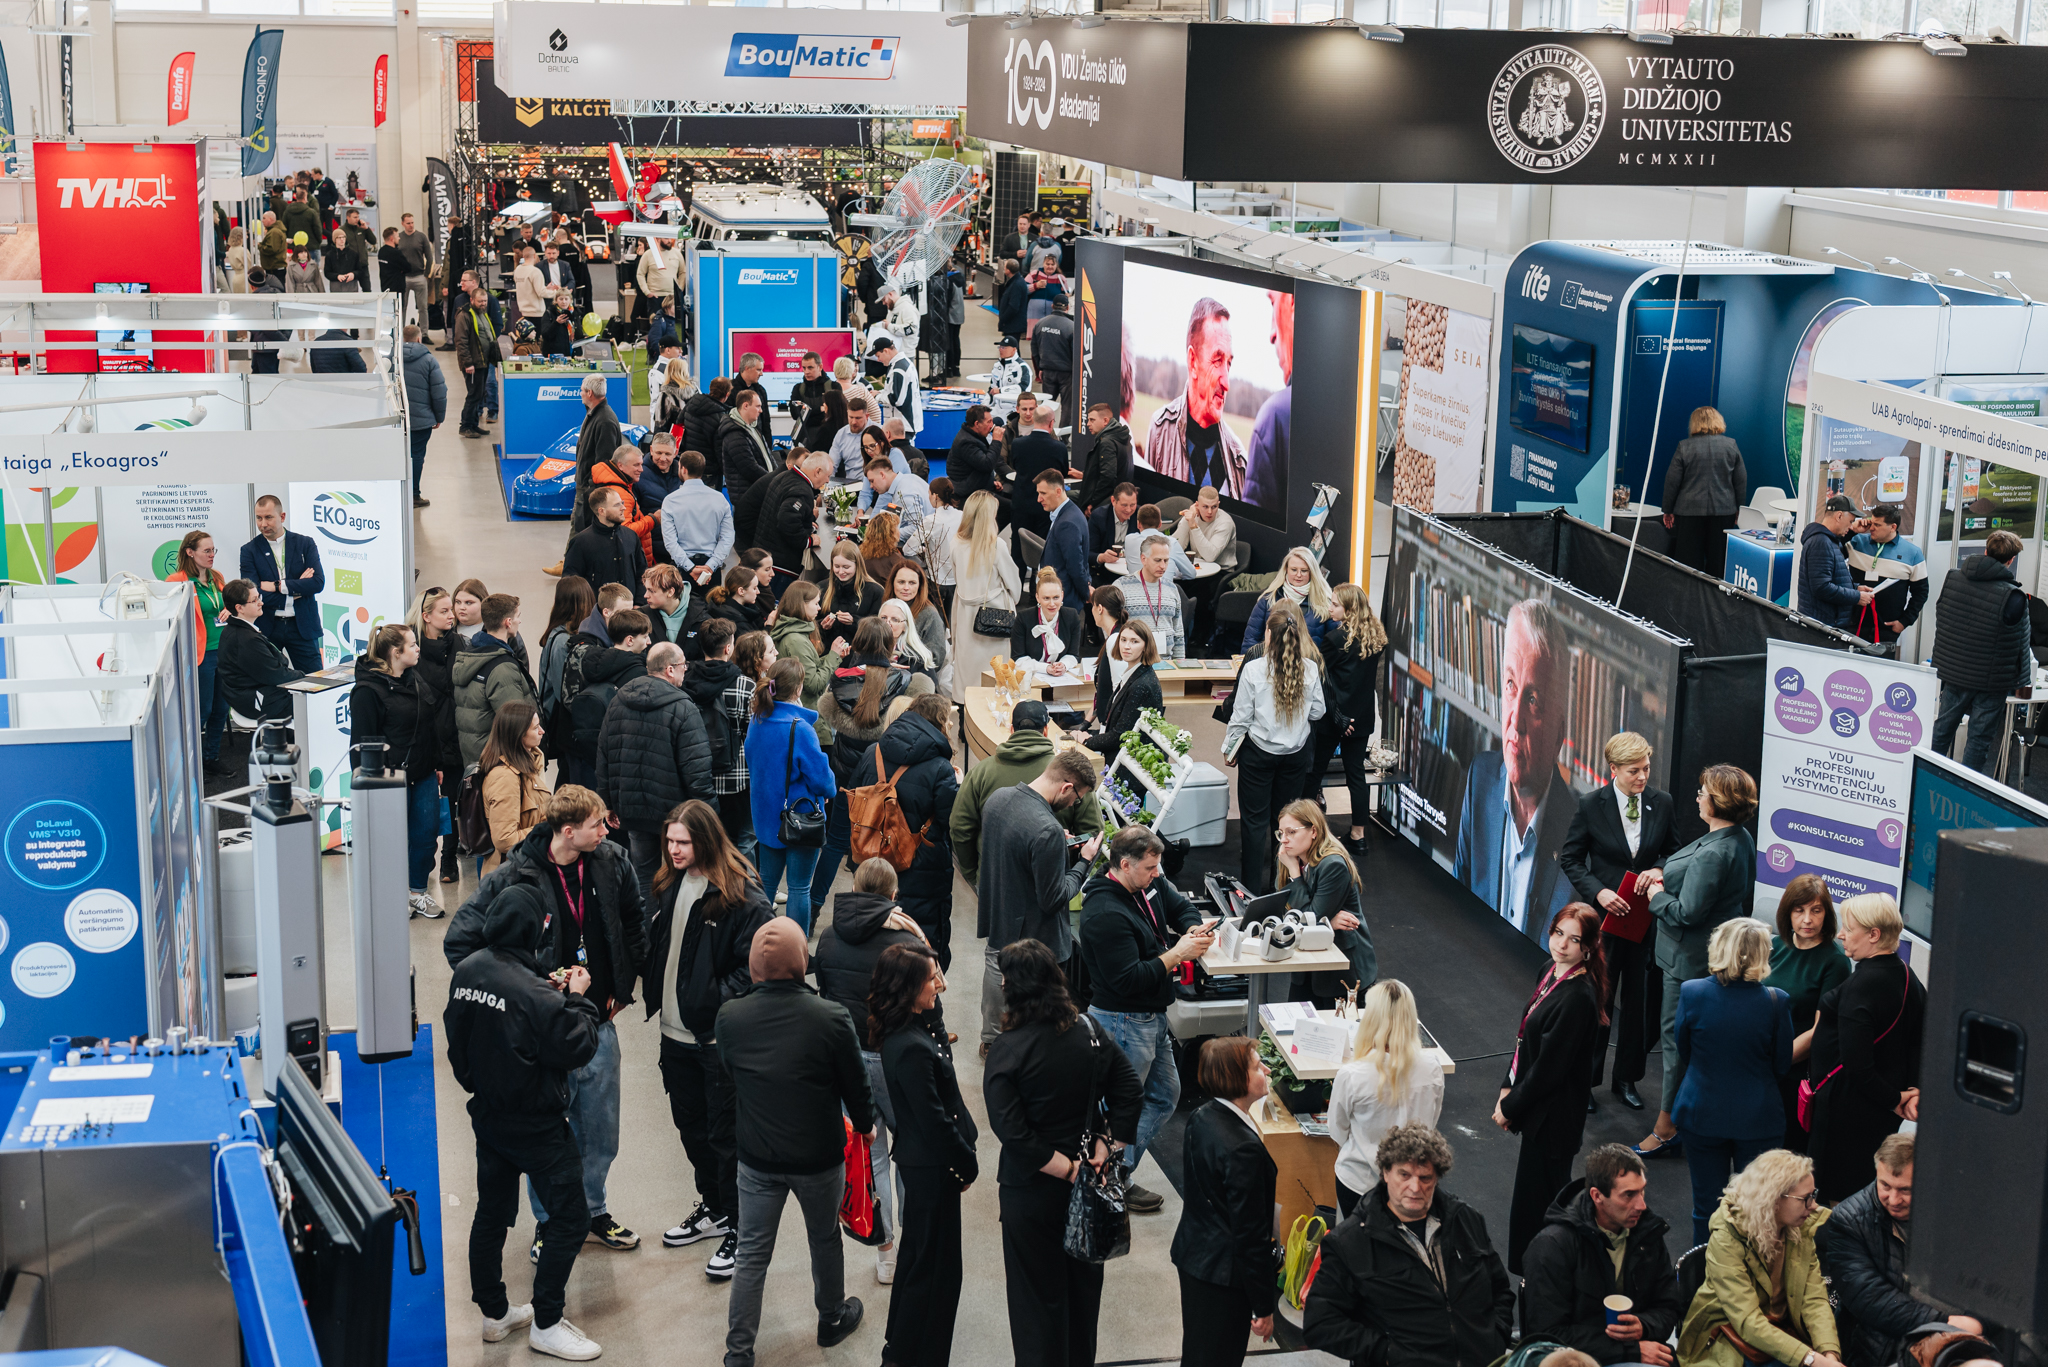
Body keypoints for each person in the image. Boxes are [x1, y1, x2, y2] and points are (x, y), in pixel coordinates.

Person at [443, 786, 648, 1264]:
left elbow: (634, 926)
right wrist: (520, 992)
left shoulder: (612, 862)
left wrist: (624, 987)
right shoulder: (516, 874)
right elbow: (461, 942)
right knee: (551, 1135)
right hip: (543, 1033)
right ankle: (550, 1220)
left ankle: (592, 1211)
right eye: (598, 824)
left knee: (600, 1132)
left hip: (597, 1023)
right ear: (568, 831)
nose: (607, 830)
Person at [443, 881, 604, 1362]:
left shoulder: (469, 969)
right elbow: (578, 1044)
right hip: (537, 1126)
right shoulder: (535, 994)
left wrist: (544, 988)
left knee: (491, 1213)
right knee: (571, 1218)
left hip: (488, 1116)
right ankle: (548, 1322)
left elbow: (461, 1041)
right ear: (535, 928)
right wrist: (576, 996)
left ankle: (494, 1314)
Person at [717, 918, 874, 1367]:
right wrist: (865, 1125)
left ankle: (738, 1352)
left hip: (756, 1156)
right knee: (824, 1238)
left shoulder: (730, 1017)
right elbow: (855, 1085)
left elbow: (729, 1074)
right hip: (818, 1157)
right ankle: (831, 1318)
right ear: (802, 961)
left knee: (751, 1253)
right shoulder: (830, 1017)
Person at [984, 937, 1142, 1367]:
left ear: (1014, 988)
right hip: (1090, 1188)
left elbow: (1013, 1133)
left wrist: (1067, 1169)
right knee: (1083, 1297)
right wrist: (1105, 1148)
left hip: (1031, 1194)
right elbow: (1130, 1091)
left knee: (1036, 1304)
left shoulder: (1007, 1050)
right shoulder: (1089, 1032)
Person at [644, 798, 773, 1282]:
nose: (673, 850)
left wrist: (714, 999)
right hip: (673, 1035)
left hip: (714, 1041)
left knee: (725, 1138)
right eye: (669, 841)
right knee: (691, 1128)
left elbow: (757, 965)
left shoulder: (740, 894)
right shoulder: (669, 883)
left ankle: (740, 1226)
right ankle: (715, 1208)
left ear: (706, 839)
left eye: (683, 842)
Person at [1078, 824, 1214, 1215]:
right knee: (1118, 1110)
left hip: (1150, 1017)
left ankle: (1114, 1174)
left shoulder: (1148, 885)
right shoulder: (1104, 913)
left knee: (1164, 1096)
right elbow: (1129, 978)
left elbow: (1180, 906)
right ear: (1125, 865)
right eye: (1151, 867)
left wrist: (1191, 926)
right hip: (1122, 1020)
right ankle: (1104, 1181)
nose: (1158, 874)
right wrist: (1179, 953)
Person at [1303, 1124, 1515, 1367]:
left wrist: (1495, 1338)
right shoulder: (1350, 1242)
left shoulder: (1466, 1221)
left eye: (1425, 1178)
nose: (1415, 1188)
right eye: (1404, 1175)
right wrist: (1387, 1354)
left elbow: (1500, 1289)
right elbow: (1320, 1323)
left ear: (1437, 1178)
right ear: (1385, 1172)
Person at [1635, 763, 1758, 1162]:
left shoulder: (1716, 852)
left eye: (1704, 792)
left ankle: (1666, 1129)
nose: (1698, 797)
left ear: (1719, 801)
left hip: (1686, 962)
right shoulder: (1737, 838)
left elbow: (1687, 913)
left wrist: (1655, 894)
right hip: (1709, 955)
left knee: (1676, 1043)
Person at [1559, 731, 1681, 1111]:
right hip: (1604, 924)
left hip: (1645, 922)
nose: (1642, 777)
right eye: (1634, 771)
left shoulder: (1662, 803)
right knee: (1598, 1001)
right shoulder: (1590, 805)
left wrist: (1659, 870)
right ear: (1614, 769)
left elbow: (1674, 853)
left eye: (1646, 769)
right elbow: (1571, 859)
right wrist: (1599, 892)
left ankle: (1626, 1078)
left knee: (1639, 1005)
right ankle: (1587, 1079)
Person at [870, 942, 975, 1367]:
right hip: (933, 1169)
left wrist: (932, 1008)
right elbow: (933, 1120)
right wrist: (966, 1164)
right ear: (908, 987)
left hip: (924, 1167)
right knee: (936, 1275)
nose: (940, 985)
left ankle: (900, 1348)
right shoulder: (911, 1047)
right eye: (931, 979)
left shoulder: (911, 1029)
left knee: (919, 1262)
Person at [1455, 599, 1582, 939]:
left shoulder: (1580, 834)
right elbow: (1457, 903)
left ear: (1559, 734)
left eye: (1533, 700)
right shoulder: (1481, 779)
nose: (1515, 720)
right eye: (1511, 685)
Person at [1671, 917, 1797, 1247]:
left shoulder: (1692, 992)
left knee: (1706, 1209)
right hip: (1759, 1120)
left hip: (1701, 1112)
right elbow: (1782, 1064)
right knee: (1756, 1210)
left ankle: (1704, 1270)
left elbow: (1684, 1049)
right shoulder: (1777, 1001)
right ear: (1762, 954)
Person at [1497, 902, 1605, 1273]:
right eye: (1559, 933)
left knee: (1542, 1211)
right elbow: (1525, 1038)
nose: (1562, 944)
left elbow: (1549, 1070)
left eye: (1574, 940)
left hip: (1554, 1120)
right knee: (1531, 1206)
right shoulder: (1550, 969)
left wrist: (1510, 1107)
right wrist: (1507, 1086)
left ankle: (1543, 1280)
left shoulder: (1578, 997)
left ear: (1587, 947)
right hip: (1539, 1110)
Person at [1816, 1134, 1984, 1367]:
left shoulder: (1960, 1209)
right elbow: (1868, 1297)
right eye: (1885, 1185)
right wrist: (1944, 1323)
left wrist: (1979, 1320)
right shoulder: (1849, 1219)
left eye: (1906, 1190)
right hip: (1882, 1347)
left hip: (1962, 1340)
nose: (1893, 1200)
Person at [977, 751, 1105, 1049]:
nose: (1074, 804)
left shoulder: (998, 799)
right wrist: (1084, 861)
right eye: (1078, 798)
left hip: (1000, 915)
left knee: (995, 972)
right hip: (1035, 937)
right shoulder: (1047, 829)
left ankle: (992, 1043)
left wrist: (1054, 848)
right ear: (1066, 787)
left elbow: (1015, 850)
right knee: (1036, 1018)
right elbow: (1054, 898)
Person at [1807, 892, 1925, 1205]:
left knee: (1838, 1203)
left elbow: (1857, 1065)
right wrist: (1908, 1092)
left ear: (1874, 935)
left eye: (1849, 928)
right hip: (1879, 1113)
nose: (1841, 934)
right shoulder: (1907, 974)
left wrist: (1895, 1099)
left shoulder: (1862, 986)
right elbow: (1919, 1043)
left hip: (1846, 1117)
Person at [1675, 1150, 1844, 1367]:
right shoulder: (1727, 1238)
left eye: (1814, 1194)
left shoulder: (1800, 1228)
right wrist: (1811, 1359)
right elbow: (1747, 1321)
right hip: (1729, 1336)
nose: (1813, 1206)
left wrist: (1829, 1353)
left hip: (1781, 1331)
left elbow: (1814, 1298)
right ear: (1773, 1199)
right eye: (1805, 1198)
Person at [1519, 1144, 1684, 1367]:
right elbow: (1548, 1336)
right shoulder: (1552, 1246)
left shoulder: (1647, 1233)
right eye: (1629, 1195)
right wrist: (1628, 1351)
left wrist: (1644, 1326)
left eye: (1642, 1190)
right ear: (1597, 1196)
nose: (1641, 1205)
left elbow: (1669, 1305)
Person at [1171, 1036, 1279, 1367]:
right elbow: (1249, 1233)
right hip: (1224, 1277)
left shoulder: (1202, 1116)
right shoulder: (1243, 1148)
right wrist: (1263, 1305)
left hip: (1195, 1257)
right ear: (1237, 1078)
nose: (1266, 1069)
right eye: (1257, 1066)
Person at [596, 641, 714, 901]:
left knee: (644, 875)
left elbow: (604, 755)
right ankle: (673, 924)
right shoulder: (683, 707)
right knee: (681, 875)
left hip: (632, 808)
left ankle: (647, 926)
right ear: (670, 669)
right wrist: (708, 812)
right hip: (675, 813)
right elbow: (697, 769)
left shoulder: (618, 702)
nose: (686, 670)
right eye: (683, 665)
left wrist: (608, 803)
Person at [1225, 600, 1326, 895]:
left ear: (1268, 634)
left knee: (1253, 824)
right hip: (1295, 757)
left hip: (1257, 754)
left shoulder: (1254, 669)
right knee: (1285, 825)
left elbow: (1241, 717)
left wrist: (1230, 748)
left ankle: (1249, 891)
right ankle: (1280, 887)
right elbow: (1318, 712)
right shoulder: (1310, 668)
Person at [953, 697, 1107, 887]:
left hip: (994, 881)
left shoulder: (981, 772)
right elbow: (1093, 833)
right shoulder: (1070, 774)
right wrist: (1071, 873)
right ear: (1046, 730)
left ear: (1011, 730)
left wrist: (974, 873)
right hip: (1049, 882)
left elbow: (960, 826)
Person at [350, 623, 446, 919]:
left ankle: (417, 892)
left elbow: (428, 725)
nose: (418, 649)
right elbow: (362, 745)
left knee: (426, 836)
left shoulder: (412, 676)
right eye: (412, 644)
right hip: (389, 780)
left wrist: (437, 763)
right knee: (390, 841)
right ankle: (391, 896)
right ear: (395, 652)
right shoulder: (367, 691)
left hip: (423, 772)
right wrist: (369, 787)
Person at [855, 694, 960, 965]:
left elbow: (854, 804)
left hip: (872, 861)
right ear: (939, 723)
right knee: (921, 949)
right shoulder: (940, 768)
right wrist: (956, 786)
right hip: (923, 869)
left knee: (875, 936)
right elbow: (950, 822)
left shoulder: (873, 752)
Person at [1327, 981, 1444, 1219]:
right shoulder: (1433, 1068)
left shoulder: (1352, 1075)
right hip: (1413, 1188)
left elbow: (1337, 1131)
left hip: (1359, 1183)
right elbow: (1431, 1122)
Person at [746, 657, 838, 933]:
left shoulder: (757, 721)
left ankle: (758, 938)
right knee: (799, 887)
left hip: (766, 817)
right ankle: (796, 948)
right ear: (798, 689)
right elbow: (823, 780)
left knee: (766, 883)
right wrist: (827, 790)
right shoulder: (801, 729)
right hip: (800, 819)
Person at [1930, 528, 2032, 773]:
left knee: (1942, 729)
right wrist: (2023, 682)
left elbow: (1943, 617)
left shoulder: (1952, 578)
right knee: (1979, 738)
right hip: (1991, 680)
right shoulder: (2014, 596)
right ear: (2011, 560)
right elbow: (2021, 643)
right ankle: (1966, 786)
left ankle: (1925, 775)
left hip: (1954, 672)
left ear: (1986, 551)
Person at [1764, 875, 1852, 1152]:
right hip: (1761, 1064)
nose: (1807, 920)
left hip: (1795, 1074)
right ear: (1787, 912)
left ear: (1827, 914)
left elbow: (1820, 1031)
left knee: (1785, 1155)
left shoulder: (1835, 961)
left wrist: (1774, 1062)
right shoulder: (1776, 946)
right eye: (1799, 910)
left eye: (1816, 910)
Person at [1310, 583, 1388, 850]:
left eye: (1334, 604)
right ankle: (1358, 836)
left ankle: (1307, 832)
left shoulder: (1334, 640)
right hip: (1362, 717)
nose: (1329, 608)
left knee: (1314, 773)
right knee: (1357, 776)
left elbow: (1320, 679)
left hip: (1334, 717)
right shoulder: (1376, 639)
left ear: (1349, 609)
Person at [1148, 297, 1250, 498]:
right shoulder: (1160, 430)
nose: (1226, 383)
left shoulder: (1238, 459)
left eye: (1229, 364)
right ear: (1193, 361)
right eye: (1217, 360)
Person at [1276, 799, 1377, 1000]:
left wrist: (1295, 874)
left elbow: (1309, 917)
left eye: (1291, 832)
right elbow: (1282, 910)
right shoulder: (1290, 857)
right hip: (1306, 964)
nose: (1284, 840)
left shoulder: (1333, 865)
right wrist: (1327, 922)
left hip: (1341, 970)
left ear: (1313, 831)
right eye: (1281, 833)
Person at [167, 530, 232, 776]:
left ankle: (211, 757)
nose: (212, 555)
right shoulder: (177, 581)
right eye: (206, 551)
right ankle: (189, 763)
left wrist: (230, 610)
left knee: (221, 709)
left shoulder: (217, 577)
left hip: (224, 651)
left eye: (213, 550)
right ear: (190, 552)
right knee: (202, 710)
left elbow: (227, 604)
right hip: (200, 655)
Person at [949, 490, 1022, 703]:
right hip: (994, 617)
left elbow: (956, 577)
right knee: (994, 672)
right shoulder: (997, 545)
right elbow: (1015, 587)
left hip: (964, 614)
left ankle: (964, 711)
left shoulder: (955, 543)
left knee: (966, 669)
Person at [239, 495, 326, 672]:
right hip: (267, 626)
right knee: (269, 683)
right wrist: (295, 590)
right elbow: (253, 594)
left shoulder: (305, 544)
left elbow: (317, 583)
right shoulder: (249, 550)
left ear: (282, 516)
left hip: (302, 625)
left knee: (315, 680)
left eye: (268, 517)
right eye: (259, 518)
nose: (263, 524)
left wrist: (278, 586)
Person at [1658, 406, 1748, 576]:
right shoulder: (1731, 445)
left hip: (1689, 512)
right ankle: (1713, 592)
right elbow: (1741, 480)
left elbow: (1672, 481)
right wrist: (1739, 508)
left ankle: (1688, 591)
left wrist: (1668, 510)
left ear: (1694, 423)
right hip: (1724, 511)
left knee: (1688, 564)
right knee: (1718, 563)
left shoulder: (1684, 446)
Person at [453, 595, 537, 770]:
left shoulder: (471, 654)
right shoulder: (502, 668)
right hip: (501, 763)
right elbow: (516, 724)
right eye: (518, 616)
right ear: (508, 622)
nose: (519, 621)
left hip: (476, 758)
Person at [477, 701, 550, 873]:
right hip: (512, 873)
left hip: (528, 863)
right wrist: (550, 829)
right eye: (536, 728)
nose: (542, 731)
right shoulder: (505, 778)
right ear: (519, 734)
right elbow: (505, 840)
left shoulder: (527, 765)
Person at [1845, 502, 1928, 651]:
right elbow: (1831, 551)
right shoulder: (1856, 542)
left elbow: (1921, 592)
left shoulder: (1913, 553)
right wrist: (1852, 531)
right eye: (1871, 523)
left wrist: (1904, 621)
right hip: (1851, 623)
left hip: (1886, 629)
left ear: (1893, 527)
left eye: (1877, 525)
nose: (1871, 528)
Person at [216, 579, 302, 721]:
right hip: (255, 701)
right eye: (255, 600)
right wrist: (304, 676)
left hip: (247, 695)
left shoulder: (236, 630)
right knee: (312, 701)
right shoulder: (247, 639)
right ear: (239, 608)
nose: (261, 603)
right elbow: (276, 674)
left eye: (259, 597)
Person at [1081, 617, 1162, 762]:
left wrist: (1086, 741)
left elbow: (1120, 735)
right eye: (1123, 640)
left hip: (1131, 763)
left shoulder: (1141, 685)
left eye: (1134, 641)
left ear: (1145, 646)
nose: (1126, 646)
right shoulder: (1133, 673)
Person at [564, 486, 649, 607]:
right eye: (617, 505)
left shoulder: (631, 536)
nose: (623, 508)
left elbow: (642, 572)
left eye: (622, 503)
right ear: (601, 511)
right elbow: (571, 582)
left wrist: (639, 603)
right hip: (596, 612)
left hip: (629, 611)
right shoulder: (581, 542)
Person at [1798, 493, 1871, 632]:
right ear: (1839, 516)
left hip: (1824, 624)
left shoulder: (1827, 540)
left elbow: (1833, 577)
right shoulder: (1821, 542)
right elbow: (1821, 587)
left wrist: (1854, 588)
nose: (1851, 526)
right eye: (1850, 521)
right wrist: (1856, 597)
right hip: (1821, 628)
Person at [661, 450, 734, 588]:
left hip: (683, 569)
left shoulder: (671, 500)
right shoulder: (719, 499)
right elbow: (728, 537)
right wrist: (711, 566)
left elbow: (670, 542)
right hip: (711, 569)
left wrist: (690, 568)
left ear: (683, 469)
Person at [1244, 545, 1334, 652]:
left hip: (1309, 661)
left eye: (1304, 570)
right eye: (1294, 570)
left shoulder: (1324, 601)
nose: (1299, 575)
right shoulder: (1268, 599)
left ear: (1312, 571)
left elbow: (1335, 644)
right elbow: (1250, 640)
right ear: (1286, 569)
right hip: (1270, 660)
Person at [1116, 534, 1188, 660]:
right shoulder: (1122, 587)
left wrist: (1180, 662)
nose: (1163, 566)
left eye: (1166, 560)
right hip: (1133, 663)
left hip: (1166, 662)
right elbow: (1112, 631)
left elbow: (1178, 632)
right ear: (1143, 559)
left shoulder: (1172, 588)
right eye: (1158, 560)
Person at [400, 325, 446, 505]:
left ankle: (397, 494)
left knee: (397, 454)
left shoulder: (392, 359)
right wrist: (438, 417)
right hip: (421, 420)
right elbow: (439, 392)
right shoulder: (429, 360)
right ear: (419, 339)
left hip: (397, 419)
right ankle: (414, 495)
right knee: (417, 456)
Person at [1036, 469, 1092, 612]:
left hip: (1063, 603)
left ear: (1058, 491)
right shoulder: (1069, 513)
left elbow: (1075, 567)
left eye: (1043, 493)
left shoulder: (1067, 523)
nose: (1039, 499)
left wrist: (1086, 593)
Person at [859, 458, 933, 556]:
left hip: (930, 548)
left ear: (882, 475)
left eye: (872, 481)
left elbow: (917, 528)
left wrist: (887, 534)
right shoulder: (907, 479)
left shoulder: (905, 493)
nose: (871, 486)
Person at [1075, 404, 1132, 514]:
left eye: (1092, 420)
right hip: (1115, 497)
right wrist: (1084, 475)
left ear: (1105, 421)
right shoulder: (1121, 438)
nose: (1088, 424)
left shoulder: (1107, 443)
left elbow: (1108, 477)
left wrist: (1092, 503)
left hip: (1103, 501)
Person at [948, 404, 1000, 508]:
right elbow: (987, 464)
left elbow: (979, 463)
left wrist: (991, 481)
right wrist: (997, 441)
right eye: (989, 422)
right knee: (1010, 509)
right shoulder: (966, 442)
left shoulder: (974, 435)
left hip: (978, 488)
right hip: (969, 496)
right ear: (977, 424)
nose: (992, 425)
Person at [1088, 485, 1141, 587]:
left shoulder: (1140, 515)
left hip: (1133, 575)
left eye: (1132, 505)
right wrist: (1102, 557)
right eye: (1124, 505)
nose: (1128, 510)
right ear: (1113, 501)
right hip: (1104, 574)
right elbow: (1088, 553)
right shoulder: (1099, 517)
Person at [877, 335, 922, 439]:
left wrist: (877, 397)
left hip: (903, 425)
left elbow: (896, 400)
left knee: (901, 450)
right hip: (905, 424)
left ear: (886, 351)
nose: (878, 360)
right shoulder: (903, 363)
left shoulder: (898, 369)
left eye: (878, 356)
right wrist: (880, 393)